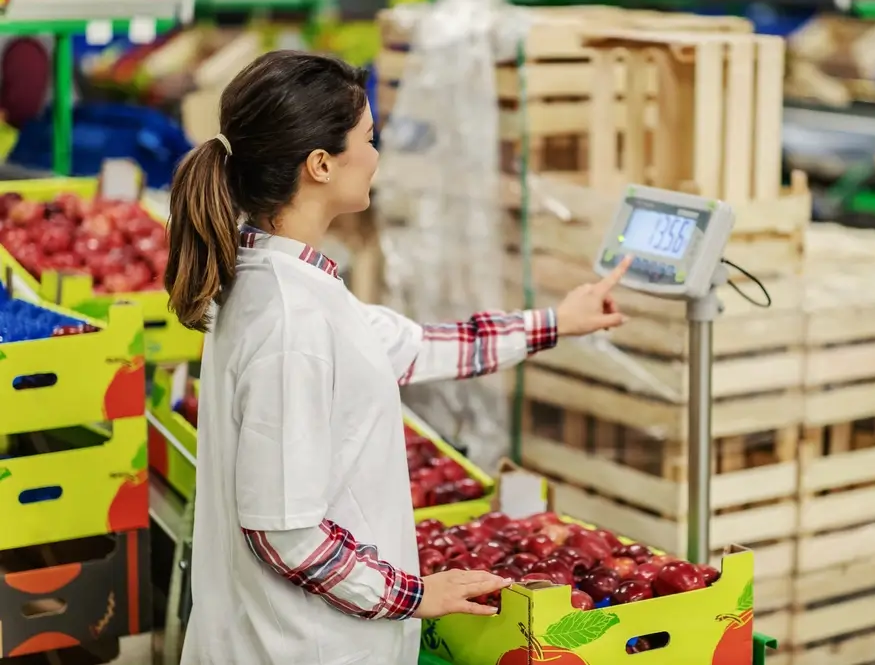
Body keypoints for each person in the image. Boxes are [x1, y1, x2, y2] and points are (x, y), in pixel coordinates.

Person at [164, 50, 632, 665]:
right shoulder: (291, 322)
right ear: (321, 164)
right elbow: (284, 532)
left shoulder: (277, 281)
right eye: (369, 138)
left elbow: (406, 347)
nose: (378, 156)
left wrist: (556, 323)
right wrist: (412, 594)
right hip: (300, 648)